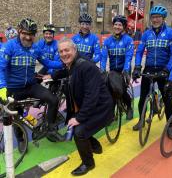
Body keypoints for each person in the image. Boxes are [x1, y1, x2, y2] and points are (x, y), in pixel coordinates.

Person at [0, 18, 64, 152]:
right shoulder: (9, 46)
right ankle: (22, 140)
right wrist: (2, 87)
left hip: (31, 85)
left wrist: (66, 63)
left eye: (31, 34)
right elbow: (1, 68)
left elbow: (48, 63)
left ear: (35, 35)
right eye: (25, 33)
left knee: (53, 99)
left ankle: (50, 128)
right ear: (19, 31)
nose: (28, 37)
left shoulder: (35, 48)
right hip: (13, 88)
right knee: (15, 114)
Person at [53, 37, 113, 176]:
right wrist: (50, 75)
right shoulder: (71, 64)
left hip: (101, 107)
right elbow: (66, 72)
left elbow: (91, 97)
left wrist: (79, 118)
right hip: (90, 106)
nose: (63, 54)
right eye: (61, 51)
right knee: (75, 125)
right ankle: (95, 146)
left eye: (66, 50)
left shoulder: (86, 66)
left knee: (79, 132)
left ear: (74, 50)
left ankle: (88, 163)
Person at [132, 5, 172, 139]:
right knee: (142, 98)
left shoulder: (171, 33)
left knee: (167, 98)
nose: (155, 20)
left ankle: (169, 126)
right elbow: (140, 51)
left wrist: (168, 71)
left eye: (158, 17)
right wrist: (136, 67)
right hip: (149, 68)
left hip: (164, 69)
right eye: (153, 17)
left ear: (163, 18)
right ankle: (141, 120)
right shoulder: (146, 34)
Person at [100, 15, 134, 120]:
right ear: (113, 26)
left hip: (124, 69)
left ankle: (129, 107)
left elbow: (129, 57)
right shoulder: (107, 41)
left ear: (123, 27)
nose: (117, 27)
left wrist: (126, 70)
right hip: (113, 71)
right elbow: (103, 56)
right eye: (116, 24)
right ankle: (111, 114)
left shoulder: (128, 40)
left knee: (122, 91)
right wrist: (102, 70)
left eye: (120, 25)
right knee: (110, 92)